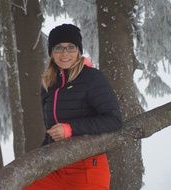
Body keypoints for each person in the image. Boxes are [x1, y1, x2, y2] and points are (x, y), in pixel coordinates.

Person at [24, 24, 122, 190]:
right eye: (58, 48)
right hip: (56, 166)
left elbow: (114, 120)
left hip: (87, 167)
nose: (65, 53)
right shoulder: (49, 84)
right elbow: (51, 131)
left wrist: (71, 129)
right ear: (51, 53)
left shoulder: (92, 78)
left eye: (71, 47)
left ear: (78, 50)